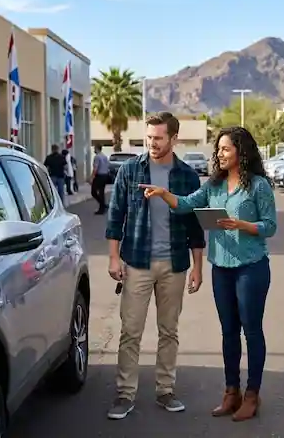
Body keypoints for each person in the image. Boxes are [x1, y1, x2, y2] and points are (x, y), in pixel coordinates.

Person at [141, 126, 277, 422]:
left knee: (251, 331)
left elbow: (270, 225)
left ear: (242, 152)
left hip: (251, 268)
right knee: (228, 332)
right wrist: (165, 194)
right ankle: (232, 392)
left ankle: (252, 395)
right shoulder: (213, 186)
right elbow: (187, 205)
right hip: (222, 269)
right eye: (218, 149)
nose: (220, 154)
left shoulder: (258, 186)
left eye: (226, 149)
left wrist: (242, 225)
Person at [105, 111, 205, 420]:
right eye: (149, 137)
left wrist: (197, 267)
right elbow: (115, 215)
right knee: (130, 331)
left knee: (168, 331)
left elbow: (196, 226)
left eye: (158, 138)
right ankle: (125, 394)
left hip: (174, 264)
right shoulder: (131, 171)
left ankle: (165, 390)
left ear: (174, 139)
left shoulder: (187, 176)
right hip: (137, 262)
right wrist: (113, 256)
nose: (152, 143)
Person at [90, 145, 111, 215]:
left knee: (93, 192)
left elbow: (95, 168)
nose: (94, 150)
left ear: (97, 148)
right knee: (101, 192)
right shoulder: (105, 156)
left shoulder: (97, 157)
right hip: (105, 175)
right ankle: (103, 207)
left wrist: (92, 178)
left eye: (95, 149)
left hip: (99, 176)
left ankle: (103, 206)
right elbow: (108, 166)